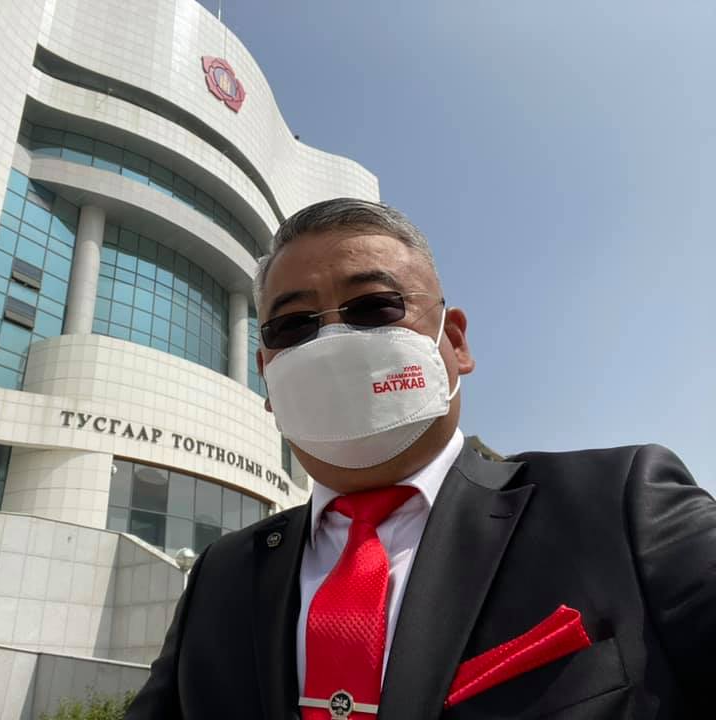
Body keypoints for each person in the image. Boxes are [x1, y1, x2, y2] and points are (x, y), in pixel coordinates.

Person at [125, 199, 715, 719]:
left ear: (454, 342)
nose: (331, 342)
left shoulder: (619, 504)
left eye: (373, 307)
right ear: (266, 377)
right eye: (294, 325)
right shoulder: (221, 575)